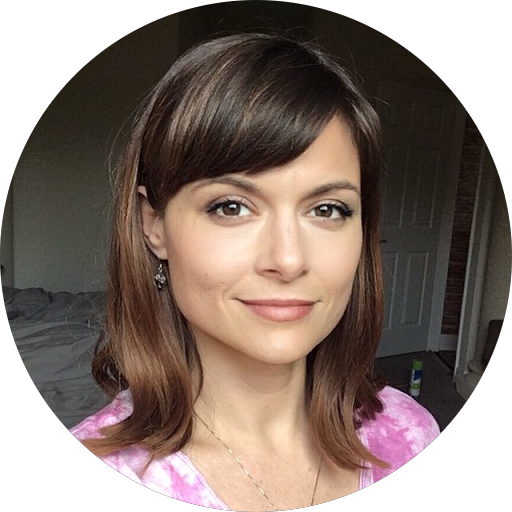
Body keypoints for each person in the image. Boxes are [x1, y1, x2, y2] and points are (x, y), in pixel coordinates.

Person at [71, 32, 439, 510]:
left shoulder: (410, 433)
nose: (288, 260)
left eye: (327, 209)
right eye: (231, 207)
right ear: (154, 224)